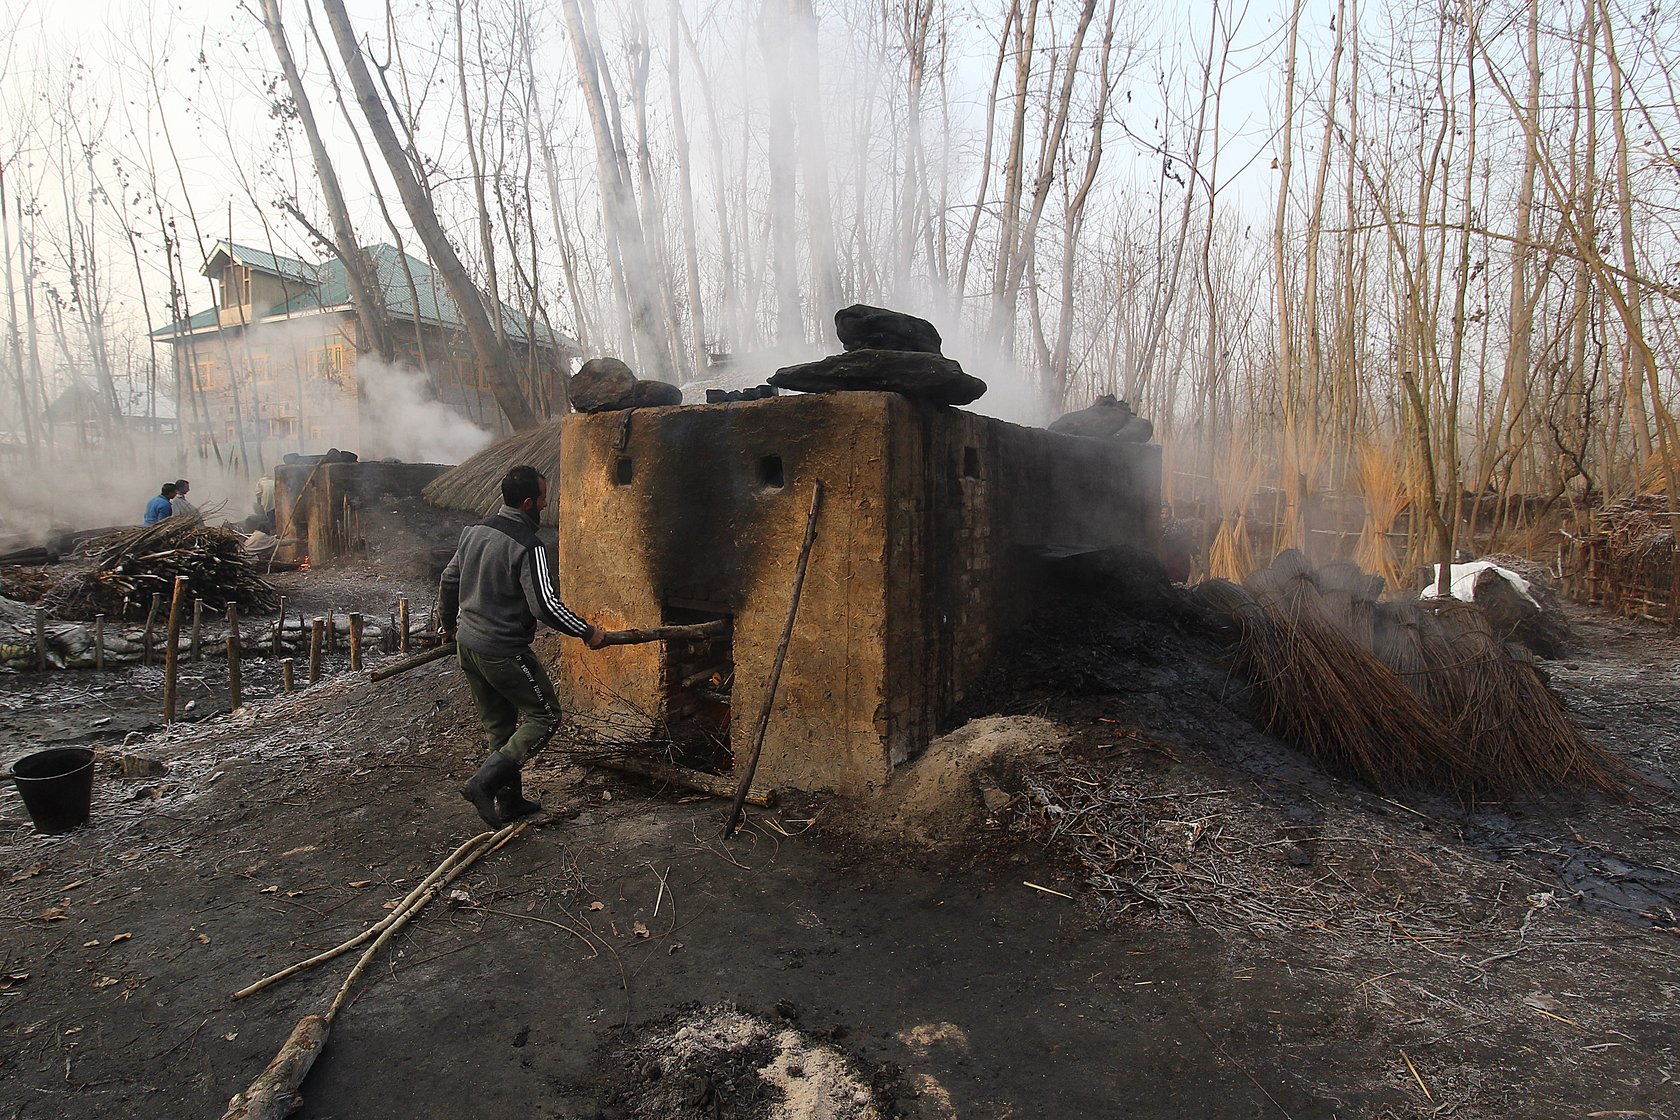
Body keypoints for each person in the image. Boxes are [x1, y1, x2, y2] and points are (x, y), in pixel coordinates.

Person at [439, 464, 608, 827]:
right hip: (502, 650)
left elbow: (449, 578)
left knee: (500, 727)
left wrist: (449, 625)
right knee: (545, 716)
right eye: (544, 497)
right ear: (529, 502)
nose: (547, 504)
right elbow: (544, 605)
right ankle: (482, 784)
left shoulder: (474, 531)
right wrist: (587, 631)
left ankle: (510, 802)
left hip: (468, 646)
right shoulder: (529, 545)